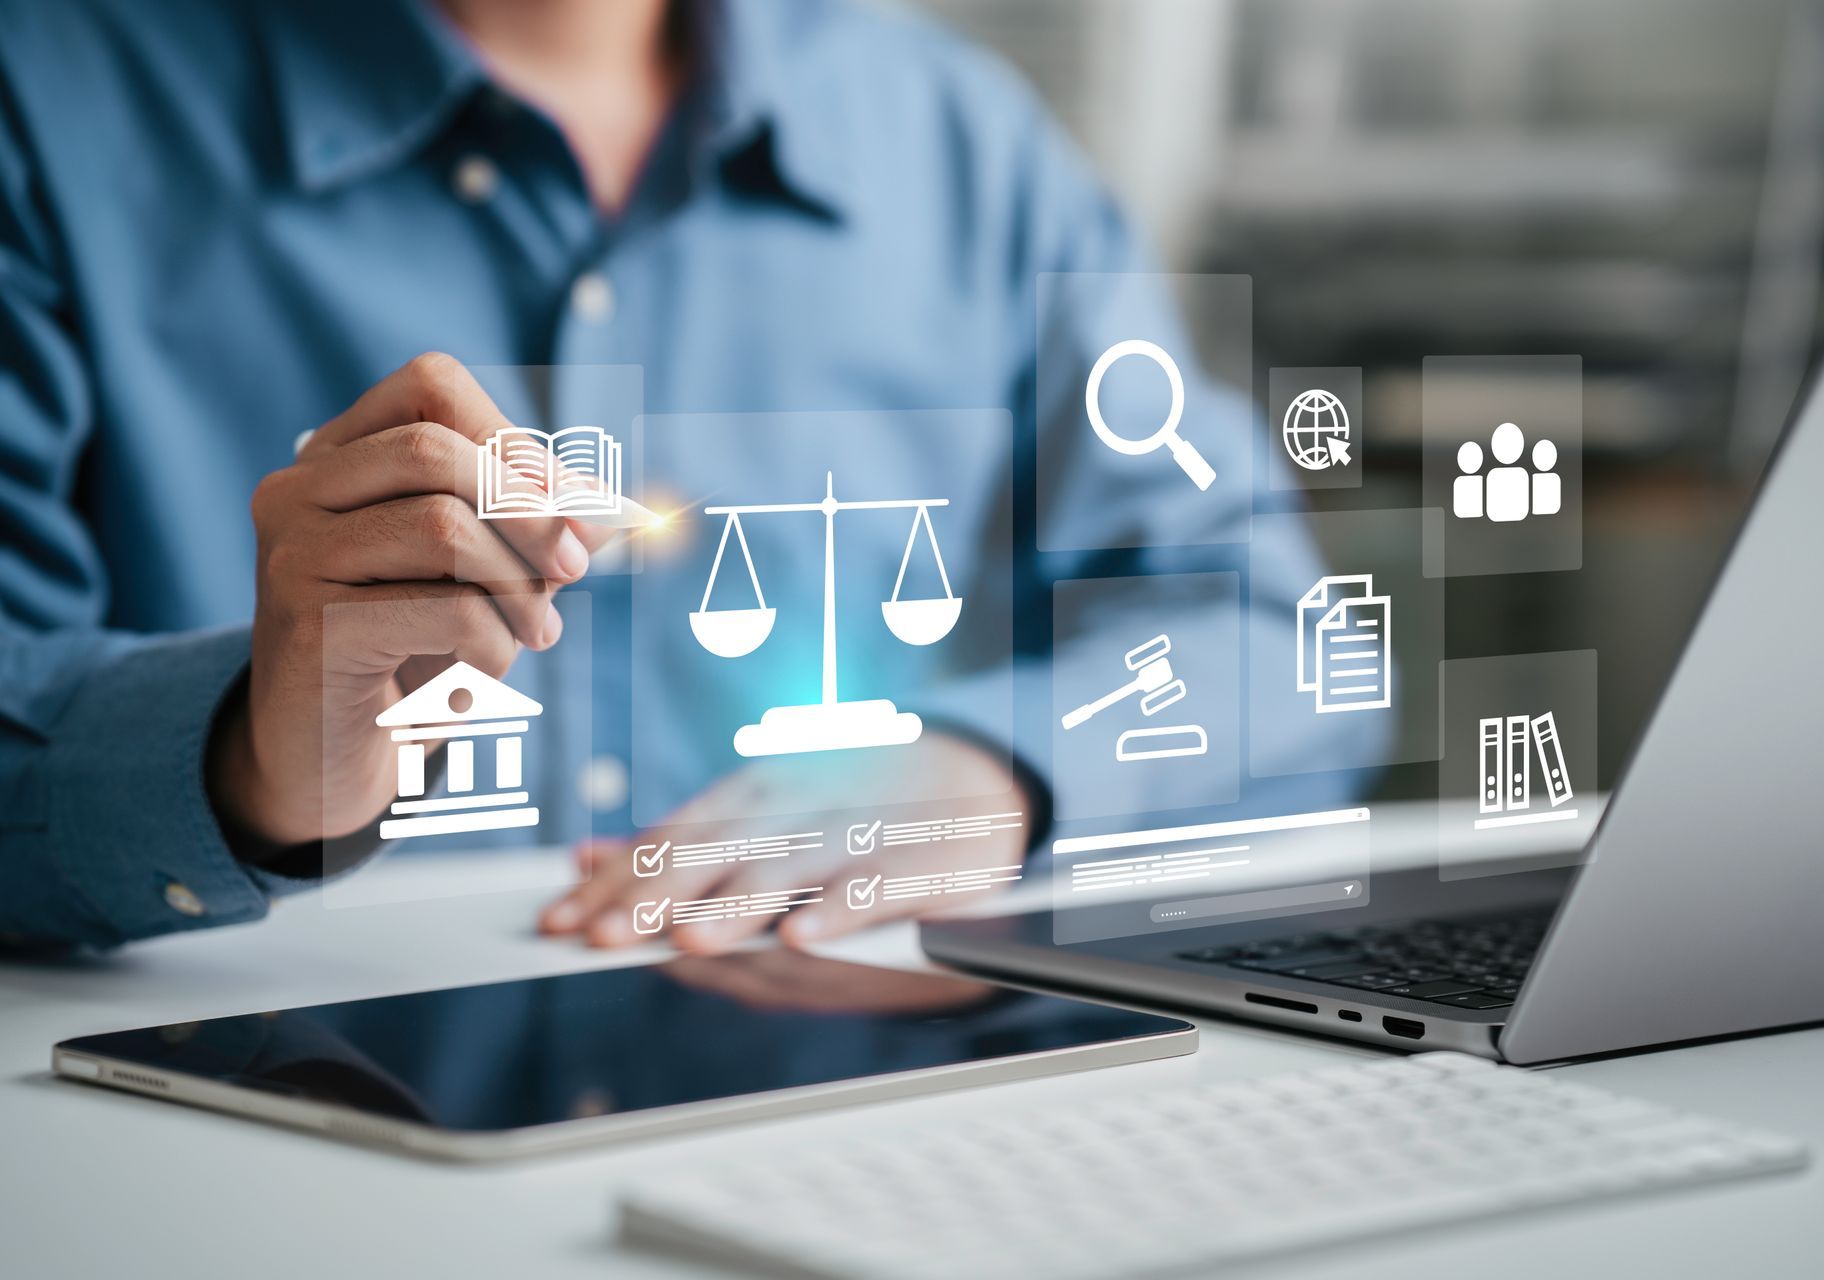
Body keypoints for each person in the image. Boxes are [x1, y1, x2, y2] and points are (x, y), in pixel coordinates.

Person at [0, 0, 1353, 953]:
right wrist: (251, 760)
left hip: (846, 1105)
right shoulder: (45, 104)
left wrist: (1001, 776)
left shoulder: (965, 149)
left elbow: (1277, 643)